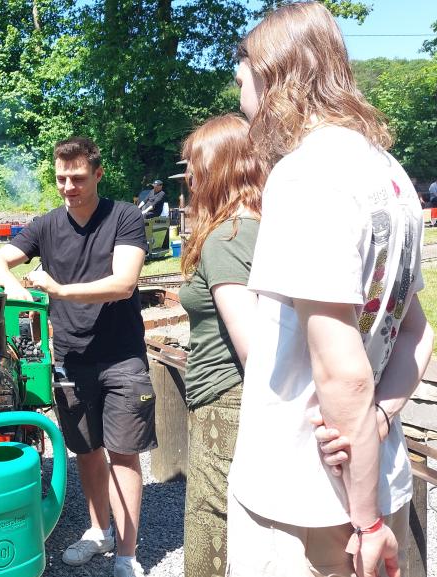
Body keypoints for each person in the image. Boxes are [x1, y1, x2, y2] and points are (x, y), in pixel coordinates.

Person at [226, 4, 436, 577]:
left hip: (303, 497)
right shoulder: (391, 174)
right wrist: (381, 420)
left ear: (271, 74)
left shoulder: (306, 175)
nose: (241, 100)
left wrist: (365, 524)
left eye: (241, 80)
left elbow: (343, 370)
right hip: (366, 472)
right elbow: (417, 331)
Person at [0, 137, 153, 577]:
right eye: (61, 178)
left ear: (98, 174)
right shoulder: (46, 225)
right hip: (70, 358)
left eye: (77, 178)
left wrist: (59, 290)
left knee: (124, 453)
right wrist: (14, 286)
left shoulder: (125, 217)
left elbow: (124, 283)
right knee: (86, 450)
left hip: (122, 358)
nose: (68, 187)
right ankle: (98, 532)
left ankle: (127, 554)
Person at [176, 114, 266, 577]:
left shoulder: (226, 238)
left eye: (194, 166)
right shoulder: (260, 224)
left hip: (224, 402)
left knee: (212, 523)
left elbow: (253, 347)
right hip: (238, 399)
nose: (189, 179)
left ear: (217, 167)